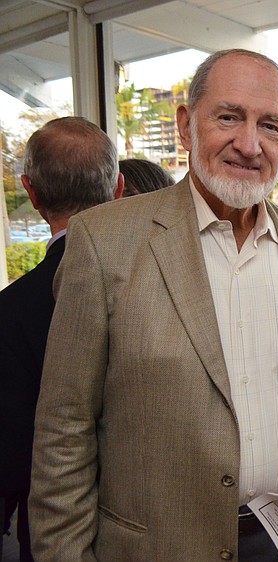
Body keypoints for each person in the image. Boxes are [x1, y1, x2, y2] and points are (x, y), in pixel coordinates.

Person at [28, 49, 278, 561]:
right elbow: (64, 431)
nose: (249, 145)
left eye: (269, 125)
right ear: (185, 125)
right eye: (229, 117)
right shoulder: (104, 242)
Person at [0, 116, 123, 562]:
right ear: (119, 189)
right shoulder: (154, 285)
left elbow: (12, 453)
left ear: (30, 192)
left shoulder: (10, 310)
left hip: (49, 532)